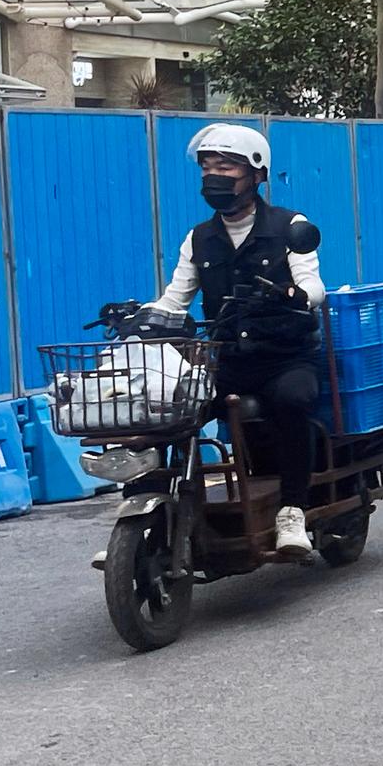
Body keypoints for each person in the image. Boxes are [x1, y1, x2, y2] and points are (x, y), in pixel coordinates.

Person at [143, 124, 327, 557]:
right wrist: (146, 317)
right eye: (208, 167)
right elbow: (176, 298)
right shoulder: (199, 237)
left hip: (285, 357)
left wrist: (297, 296)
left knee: (292, 401)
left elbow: (313, 284)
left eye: (226, 166)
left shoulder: (290, 227)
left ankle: (292, 512)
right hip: (226, 362)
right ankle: (156, 515)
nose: (214, 176)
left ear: (257, 175)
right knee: (168, 409)